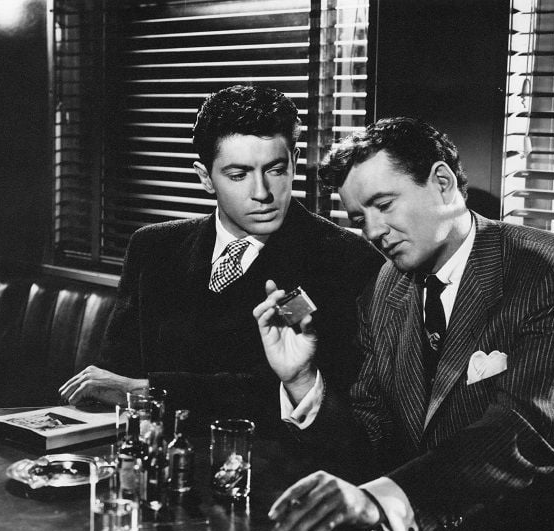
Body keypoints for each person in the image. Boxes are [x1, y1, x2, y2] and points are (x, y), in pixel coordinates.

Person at [254, 117, 554, 531]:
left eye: (384, 204)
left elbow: (527, 430)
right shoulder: (384, 288)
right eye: (359, 219)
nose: (373, 230)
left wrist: (382, 499)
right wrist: (301, 379)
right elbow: (371, 435)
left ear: (442, 182)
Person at [59, 85, 383, 437]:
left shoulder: (347, 260)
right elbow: (114, 377)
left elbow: (298, 394)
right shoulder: (152, 248)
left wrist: (149, 389)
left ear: (295, 160)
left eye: (276, 169)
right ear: (205, 178)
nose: (262, 193)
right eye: (238, 175)